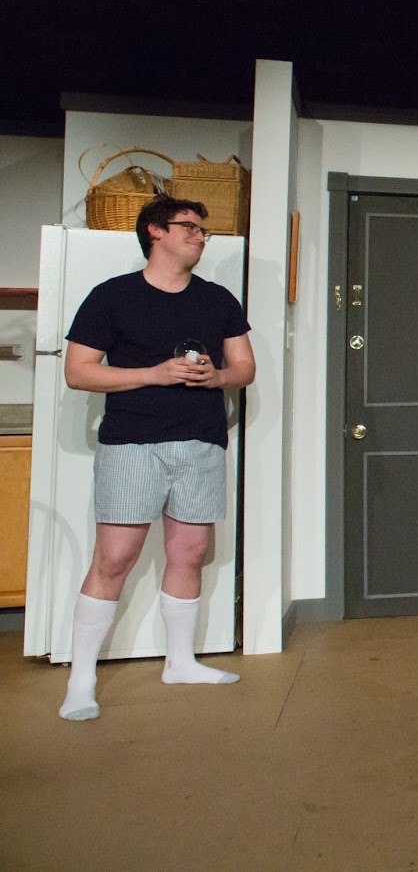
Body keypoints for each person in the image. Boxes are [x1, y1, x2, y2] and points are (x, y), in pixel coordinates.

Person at [57, 195, 256, 721]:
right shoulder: (112, 296)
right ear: (155, 231)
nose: (199, 236)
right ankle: (81, 681)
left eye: (203, 231)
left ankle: (181, 662)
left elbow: (244, 368)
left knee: (189, 552)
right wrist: (155, 374)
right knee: (114, 559)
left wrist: (215, 376)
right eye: (189, 226)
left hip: (201, 442)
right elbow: (78, 371)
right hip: (131, 443)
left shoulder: (217, 300)